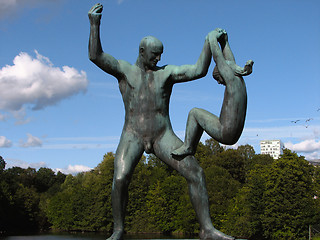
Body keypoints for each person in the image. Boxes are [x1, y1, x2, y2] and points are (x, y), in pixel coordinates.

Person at [88, 3, 241, 240]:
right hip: (133, 134)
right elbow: (95, 56)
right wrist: (94, 25)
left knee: (196, 173)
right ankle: (118, 229)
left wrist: (208, 42)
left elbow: (199, 70)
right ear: (141, 52)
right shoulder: (124, 70)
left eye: (161, 54)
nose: (159, 58)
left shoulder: (166, 73)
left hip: (162, 135)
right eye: (154, 55)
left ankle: (206, 229)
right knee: (120, 178)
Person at [172, 29, 253, 158]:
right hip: (234, 134)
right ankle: (189, 146)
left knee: (194, 113)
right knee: (198, 114)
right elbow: (230, 62)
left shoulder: (231, 81)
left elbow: (218, 58)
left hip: (225, 132)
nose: (219, 83)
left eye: (218, 79)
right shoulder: (239, 81)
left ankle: (188, 146)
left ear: (223, 74)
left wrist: (212, 38)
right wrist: (225, 42)